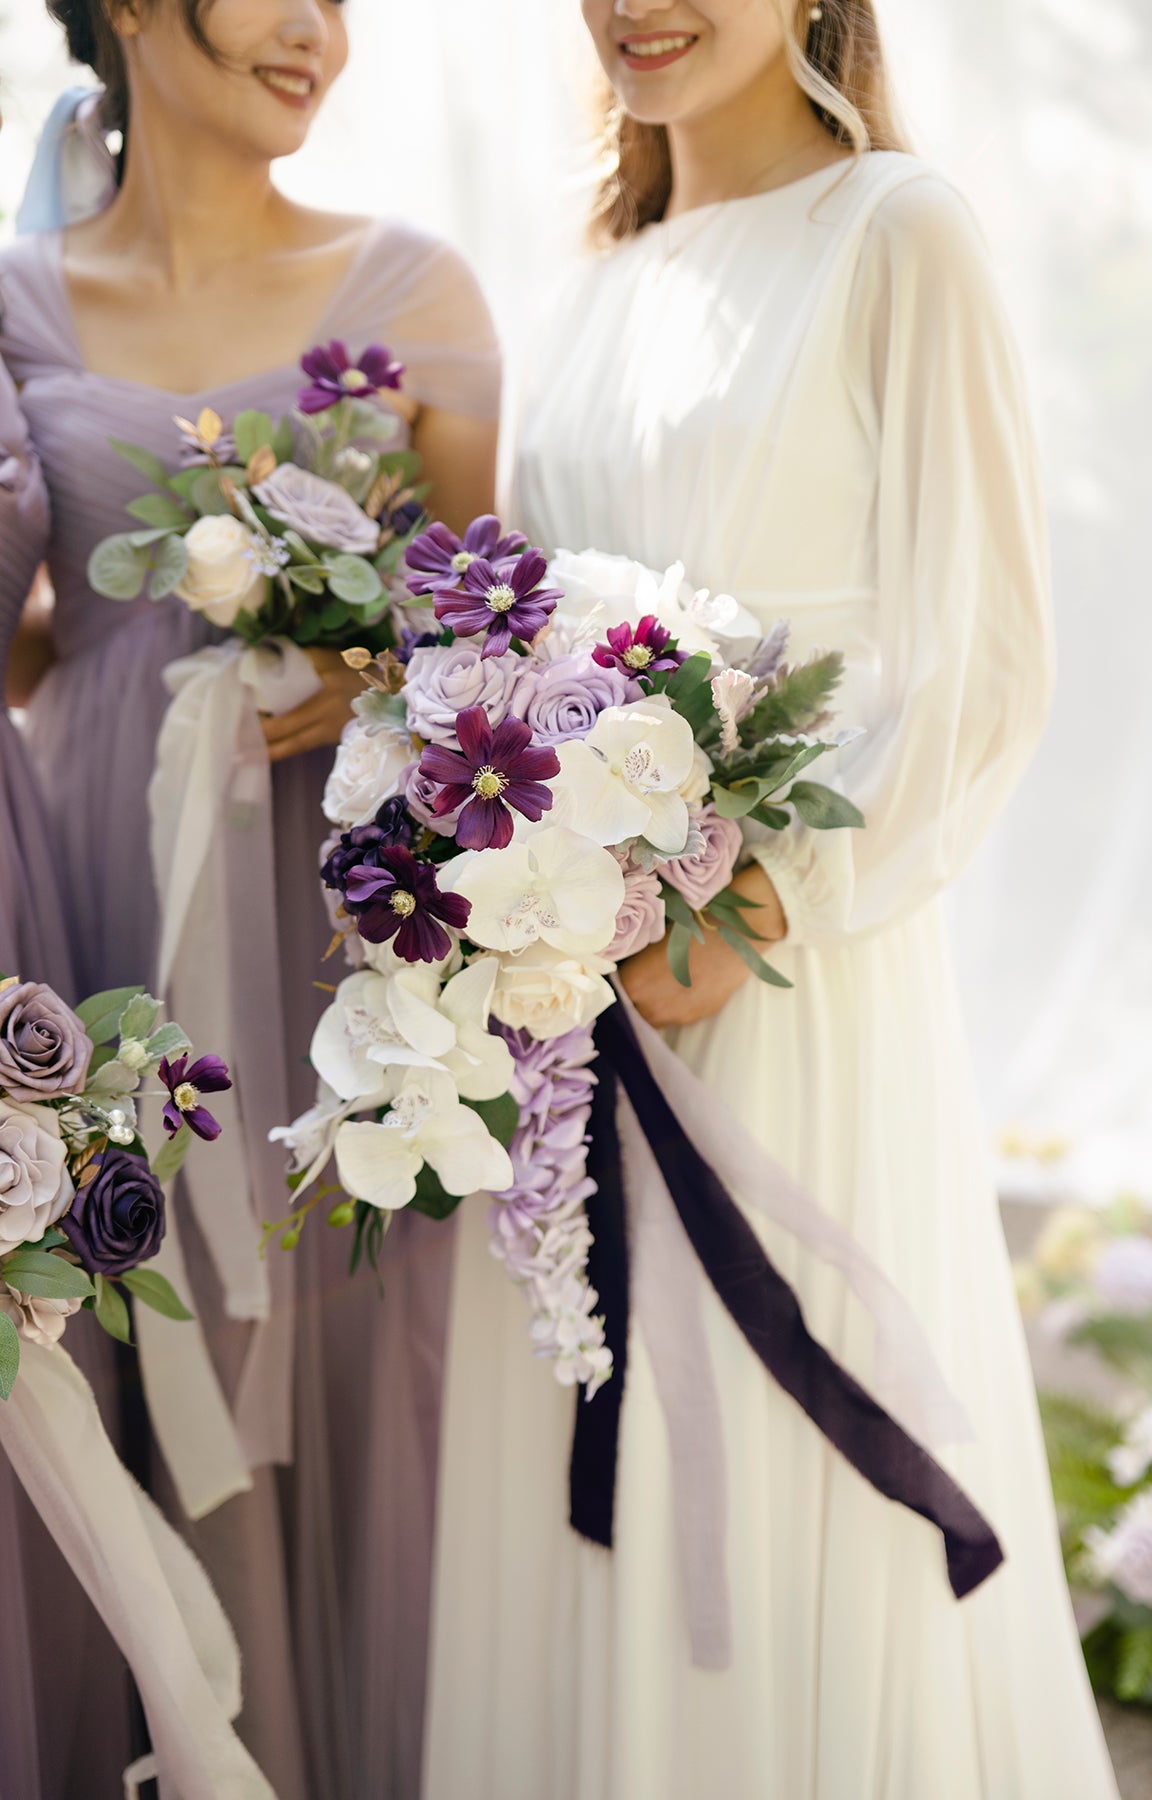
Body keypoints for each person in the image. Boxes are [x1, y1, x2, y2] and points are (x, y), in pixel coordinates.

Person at [422, 3, 1121, 1796]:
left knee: (769, 1466)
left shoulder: (899, 232)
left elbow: (984, 662)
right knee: (604, 1460)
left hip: (792, 999)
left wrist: (752, 917)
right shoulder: (588, 282)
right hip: (576, 1031)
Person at [1, 2, 500, 1792]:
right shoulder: (16, 300)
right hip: (88, 920)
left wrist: (370, 668)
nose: (321, 34)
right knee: (112, 1323)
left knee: (365, 1341)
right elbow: (22, 645)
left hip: (336, 930)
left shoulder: (423, 293)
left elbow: (481, 649)